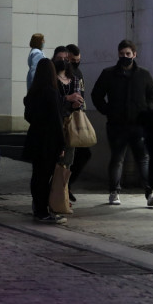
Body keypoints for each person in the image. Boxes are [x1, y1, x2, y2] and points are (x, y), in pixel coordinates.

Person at [91, 39, 153, 207]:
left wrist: (147, 112)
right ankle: (114, 192)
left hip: (138, 126)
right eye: (122, 54)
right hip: (117, 126)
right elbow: (96, 95)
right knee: (117, 159)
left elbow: (152, 95)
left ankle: (150, 192)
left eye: (128, 54)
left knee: (143, 159)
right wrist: (108, 111)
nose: (125, 56)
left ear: (134, 54)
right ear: (118, 54)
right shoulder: (108, 74)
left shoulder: (143, 75)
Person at [23, 58, 67, 224]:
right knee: (45, 176)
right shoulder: (51, 92)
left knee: (37, 175)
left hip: (35, 137)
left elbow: (28, 116)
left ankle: (38, 208)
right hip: (49, 141)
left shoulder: (33, 93)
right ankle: (42, 211)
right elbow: (56, 120)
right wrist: (62, 144)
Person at [53, 46, 84, 207]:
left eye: (66, 59)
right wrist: (67, 98)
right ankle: (52, 195)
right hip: (55, 124)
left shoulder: (74, 79)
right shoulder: (51, 78)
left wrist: (76, 102)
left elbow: (78, 100)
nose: (63, 61)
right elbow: (52, 100)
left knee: (67, 162)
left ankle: (62, 196)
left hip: (70, 124)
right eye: (59, 58)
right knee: (55, 162)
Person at [66, 44, 92, 201]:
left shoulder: (78, 72)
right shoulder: (62, 72)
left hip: (78, 117)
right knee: (67, 157)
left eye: (78, 60)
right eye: (73, 60)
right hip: (66, 118)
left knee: (84, 154)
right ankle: (62, 187)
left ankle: (67, 184)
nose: (76, 63)